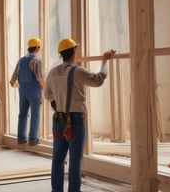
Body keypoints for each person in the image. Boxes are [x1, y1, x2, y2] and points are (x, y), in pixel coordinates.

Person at [44, 38, 116, 192]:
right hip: (75, 121)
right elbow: (98, 80)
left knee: (57, 159)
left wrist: (57, 101)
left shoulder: (53, 72)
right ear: (74, 53)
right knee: (75, 160)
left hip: (58, 120)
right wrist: (105, 61)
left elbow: (47, 95)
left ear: (61, 54)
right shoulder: (78, 71)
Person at [10, 37, 45, 147]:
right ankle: (33, 139)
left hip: (23, 91)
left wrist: (14, 83)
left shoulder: (22, 60)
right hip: (35, 91)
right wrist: (46, 90)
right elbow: (39, 78)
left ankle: (21, 139)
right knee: (35, 115)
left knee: (23, 114)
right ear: (37, 48)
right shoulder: (37, 60)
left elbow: (13, 77)